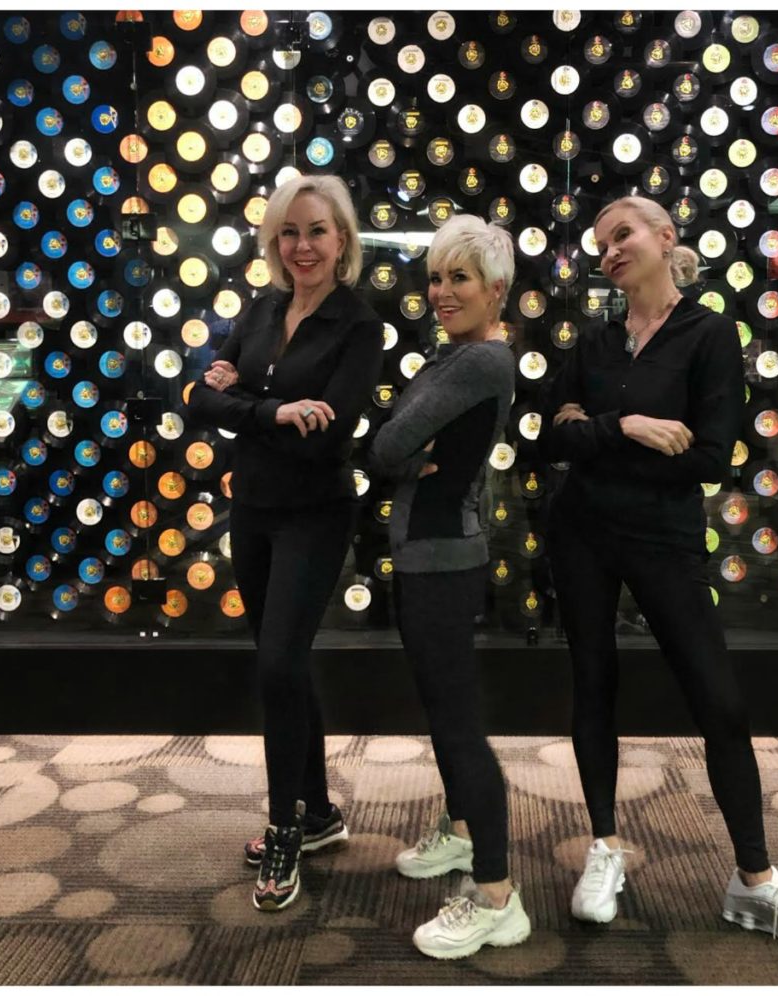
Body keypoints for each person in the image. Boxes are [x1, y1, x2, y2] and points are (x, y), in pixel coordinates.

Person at [539, 195, 778, 954]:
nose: (609, 251)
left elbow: (712, 457)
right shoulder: (596, 340)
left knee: (719, 702)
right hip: (581, 534)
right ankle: (606, 847)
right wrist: (635, 427)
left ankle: (753, 881)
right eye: (600, 243)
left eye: (623, 235)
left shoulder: (707, 333)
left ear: (665, 238)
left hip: (664, 541)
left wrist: (594, 433)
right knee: (594, 687)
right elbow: (551, 433)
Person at [187, 174, 384, 912]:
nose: (303, 246)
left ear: (343, 241)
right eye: (289, 233)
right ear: (275, 243)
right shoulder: (262, 308)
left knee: (276, 665)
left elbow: (329, 430)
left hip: (315, 512)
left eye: (317, 232)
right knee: (285, 662)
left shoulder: (360, 325)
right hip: (255, 507)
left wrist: (245, 404)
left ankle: (283, 828)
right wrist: (271, 411)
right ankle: (322, 812)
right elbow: (200, 399)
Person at [368, 215, 531, 959]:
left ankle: (498, 895)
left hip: (442, 557)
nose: (440, 291)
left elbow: (387, 442)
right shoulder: (455, 354)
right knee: (442, 711)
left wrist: (399, 452)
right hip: (428, 551)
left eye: (459, 278)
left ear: (496, 289)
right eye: (435, 277)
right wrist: (403, 446)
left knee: (460, 723)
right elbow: (400, 436)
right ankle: (463, 834)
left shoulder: (476, 363)